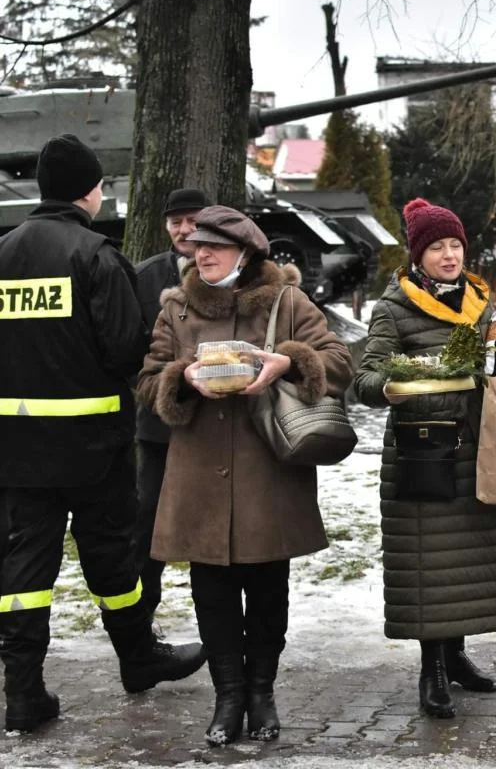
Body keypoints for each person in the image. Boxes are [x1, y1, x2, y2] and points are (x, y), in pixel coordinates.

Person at [0, 135, 207, 734]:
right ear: (90, 192)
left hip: (16, 452)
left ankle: (23, 693)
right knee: (113, 560)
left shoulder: (3, 253)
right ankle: (139, 658)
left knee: (24, 569)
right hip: (94, 448)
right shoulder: (96, 256)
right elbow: (126, 353)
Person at [137, 205, 351, 746]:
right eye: (197, 245)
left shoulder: (287, 300)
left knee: (267, 589)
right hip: (199, 477)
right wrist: (182, 378)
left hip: (268, 472)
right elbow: (144, 380)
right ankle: (227, 697)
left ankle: (262, 692)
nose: (201, 252)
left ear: (246, 252)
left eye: (215, 246)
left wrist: (286, 361)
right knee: (210, 592)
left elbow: (340, 362)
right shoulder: (178, 309)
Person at [353, 198, 496, 720]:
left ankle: (458, 655)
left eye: (455, 245)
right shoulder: (393, 307)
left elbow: (489, 368)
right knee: (430, 563)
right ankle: (433, 670)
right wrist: (392, 387)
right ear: (417, 255)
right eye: (437, 247)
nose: (449, 256)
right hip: (422, 449)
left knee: (465, 560)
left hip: (474, 446)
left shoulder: (479, 301)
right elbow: (365, 378)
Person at [132, 187, 211, 628]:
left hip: (219, 427)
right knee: (148, 527)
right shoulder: (143, 276)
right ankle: (139, 624)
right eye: (176, 221)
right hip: (159, 426)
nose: (184, 230)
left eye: (193, 220)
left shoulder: (234, 274)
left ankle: (216, 628)